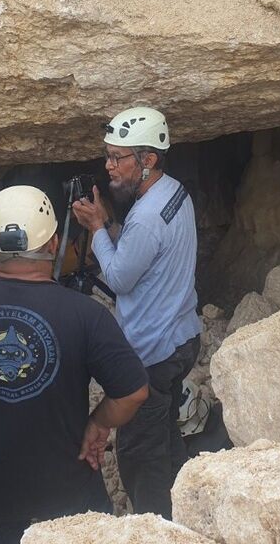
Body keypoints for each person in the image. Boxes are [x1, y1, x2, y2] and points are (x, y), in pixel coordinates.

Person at [0, 185, 148, 544]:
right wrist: (97, 423)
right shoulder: (86, 315)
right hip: (63, 494)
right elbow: (133, 391)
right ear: (55, 243)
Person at [71, 106, 202, 519]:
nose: (109, 166)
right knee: (164, 433)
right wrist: (109, 223)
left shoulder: (145, 218)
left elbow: (118, 276)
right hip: (182, 337)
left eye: (117, 158)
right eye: (108, 156)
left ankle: (156, 524)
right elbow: (138, 253)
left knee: (140, 455)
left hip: (152, 353)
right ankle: (187, 507)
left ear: (148, 160)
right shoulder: (175, 193)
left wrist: (95, 229)